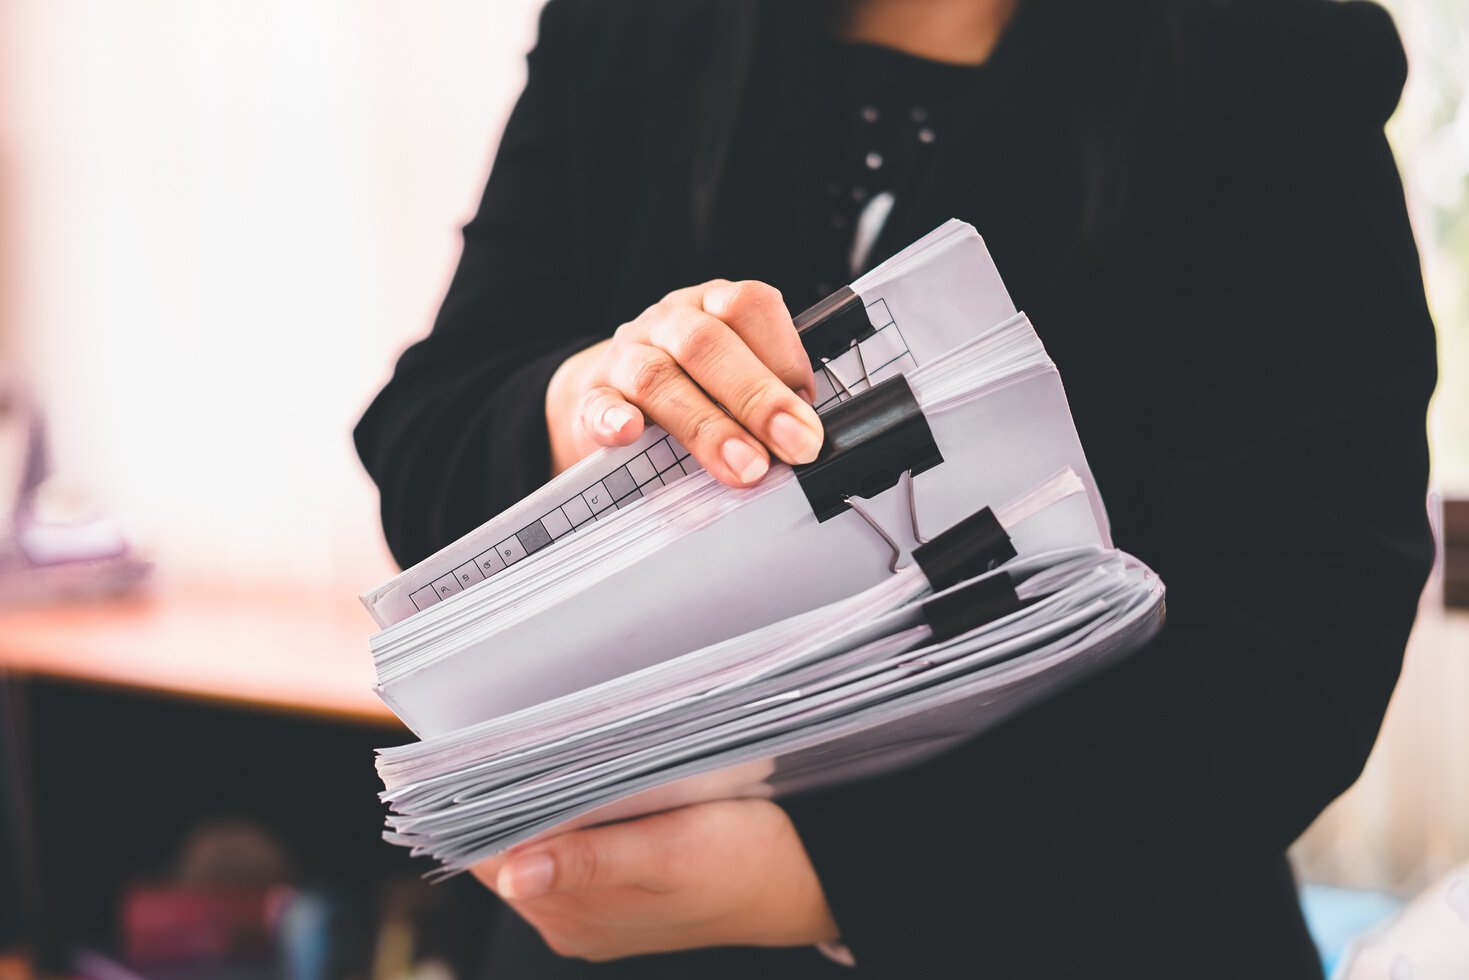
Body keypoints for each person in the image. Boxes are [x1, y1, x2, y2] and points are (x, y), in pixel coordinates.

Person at [353, 0, 1437, 975]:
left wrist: (818, 878)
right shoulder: (628, 26)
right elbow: (424, 434)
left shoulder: (1272, 50)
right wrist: (596, 397)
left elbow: (1302, 635)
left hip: (1090, 923)